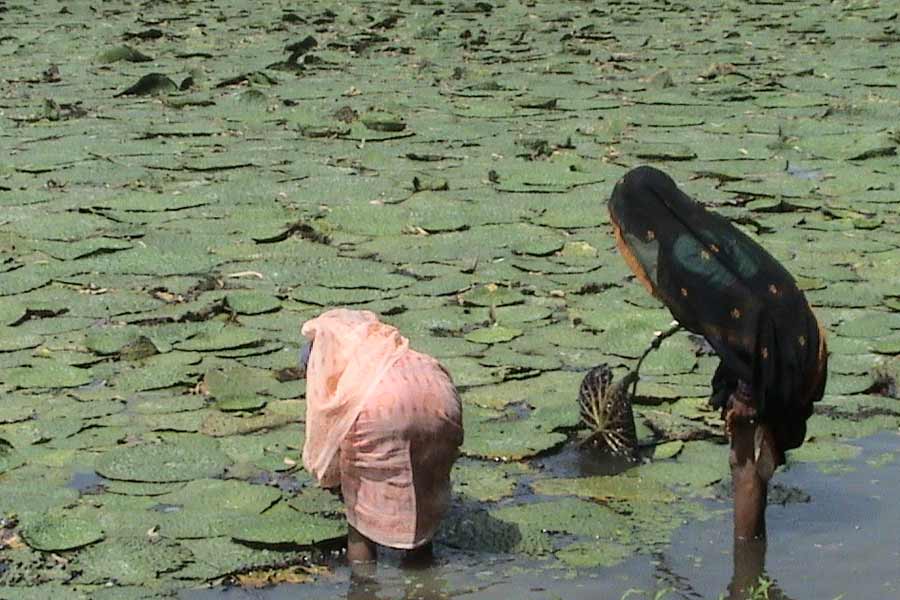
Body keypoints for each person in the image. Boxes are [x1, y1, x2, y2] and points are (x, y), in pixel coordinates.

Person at [607, 166, 828, 541]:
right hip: (788, 332)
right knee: (754, 456)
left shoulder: (684, 255)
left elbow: (748, 313)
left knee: (744, 462)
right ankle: (753, 560)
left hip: (775, 345)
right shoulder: (698, 231)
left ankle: (746, 563)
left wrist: (746, 393)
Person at [298, 309, 463, 571]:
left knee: (359, 517)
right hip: (441, 399)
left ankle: (363, 582)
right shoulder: (390, 349)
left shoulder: (344, 373)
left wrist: (339, 481)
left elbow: (327, 440)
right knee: (421, 496)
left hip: (381, 409)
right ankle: (422, 575)